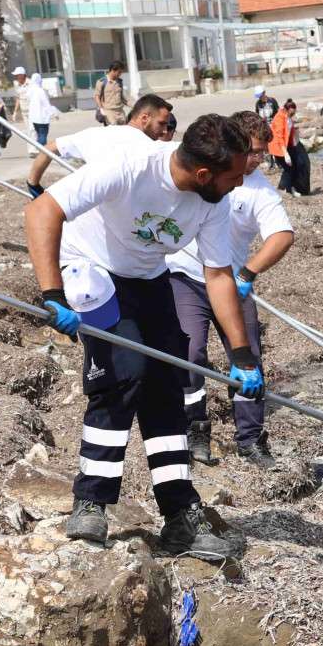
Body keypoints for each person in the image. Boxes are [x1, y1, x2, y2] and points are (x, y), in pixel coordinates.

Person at [23, 113, 263, 557]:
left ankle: (179, 515)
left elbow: (218, 275)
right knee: (122, 375)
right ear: (204, 173)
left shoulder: (214, 201)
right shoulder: (131, 166)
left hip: (150, 276)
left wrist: (243, 354)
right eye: (233, 176)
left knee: (167, 387)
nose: (239, 184)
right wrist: (52, 293)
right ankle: (91, 501)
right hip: (92, 269)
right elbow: (42, 210)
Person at [167, 111, 293, 467]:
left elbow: (282, 236)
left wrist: (249, 273)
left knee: (248, 359)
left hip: (231, 283)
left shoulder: (259, 191)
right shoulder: (210, 172)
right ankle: (196, 430)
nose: (255, 160)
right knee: (190, 354)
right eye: (251, 151)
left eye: (261, 152)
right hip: (186, 277)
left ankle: (250, 439)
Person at [26, 94, 172, 198]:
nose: (165, 130)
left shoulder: (96, 134)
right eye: (161, 124)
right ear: (145, 118)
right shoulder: (153, 149)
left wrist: (33, 185)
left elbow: (50, 148)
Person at [269, 99, 301, 195]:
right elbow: (279, 136)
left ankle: (282, 186)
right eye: (291, 113)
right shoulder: (279, 118)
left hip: (286, 146)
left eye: (294, 113)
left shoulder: (288, 116)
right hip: (278, 147)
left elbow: (288, 130)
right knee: (289, 168)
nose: (293, 115)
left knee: (292, 166)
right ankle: (288, 190)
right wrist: (285, 153)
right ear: (286, 110)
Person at [94, 61, 128, 126]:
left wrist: (134, 105)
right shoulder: (101, 82)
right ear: (113, 70)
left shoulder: (119, 82)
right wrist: (101, 108)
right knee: (112, 132)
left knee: (124, 131)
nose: (120, 74)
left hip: (120, 112)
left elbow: (122, 98)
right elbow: (96, 96)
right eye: (119, 72)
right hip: (109, 112)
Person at [26, 73, 54, 151]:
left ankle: (39, 149)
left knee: (39, 134)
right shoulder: (40, 91)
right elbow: (46, 103)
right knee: (43, 135)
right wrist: (53, 113)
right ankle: (42, 151)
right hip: (42, 118)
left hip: (34, 118)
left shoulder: (30, 91)